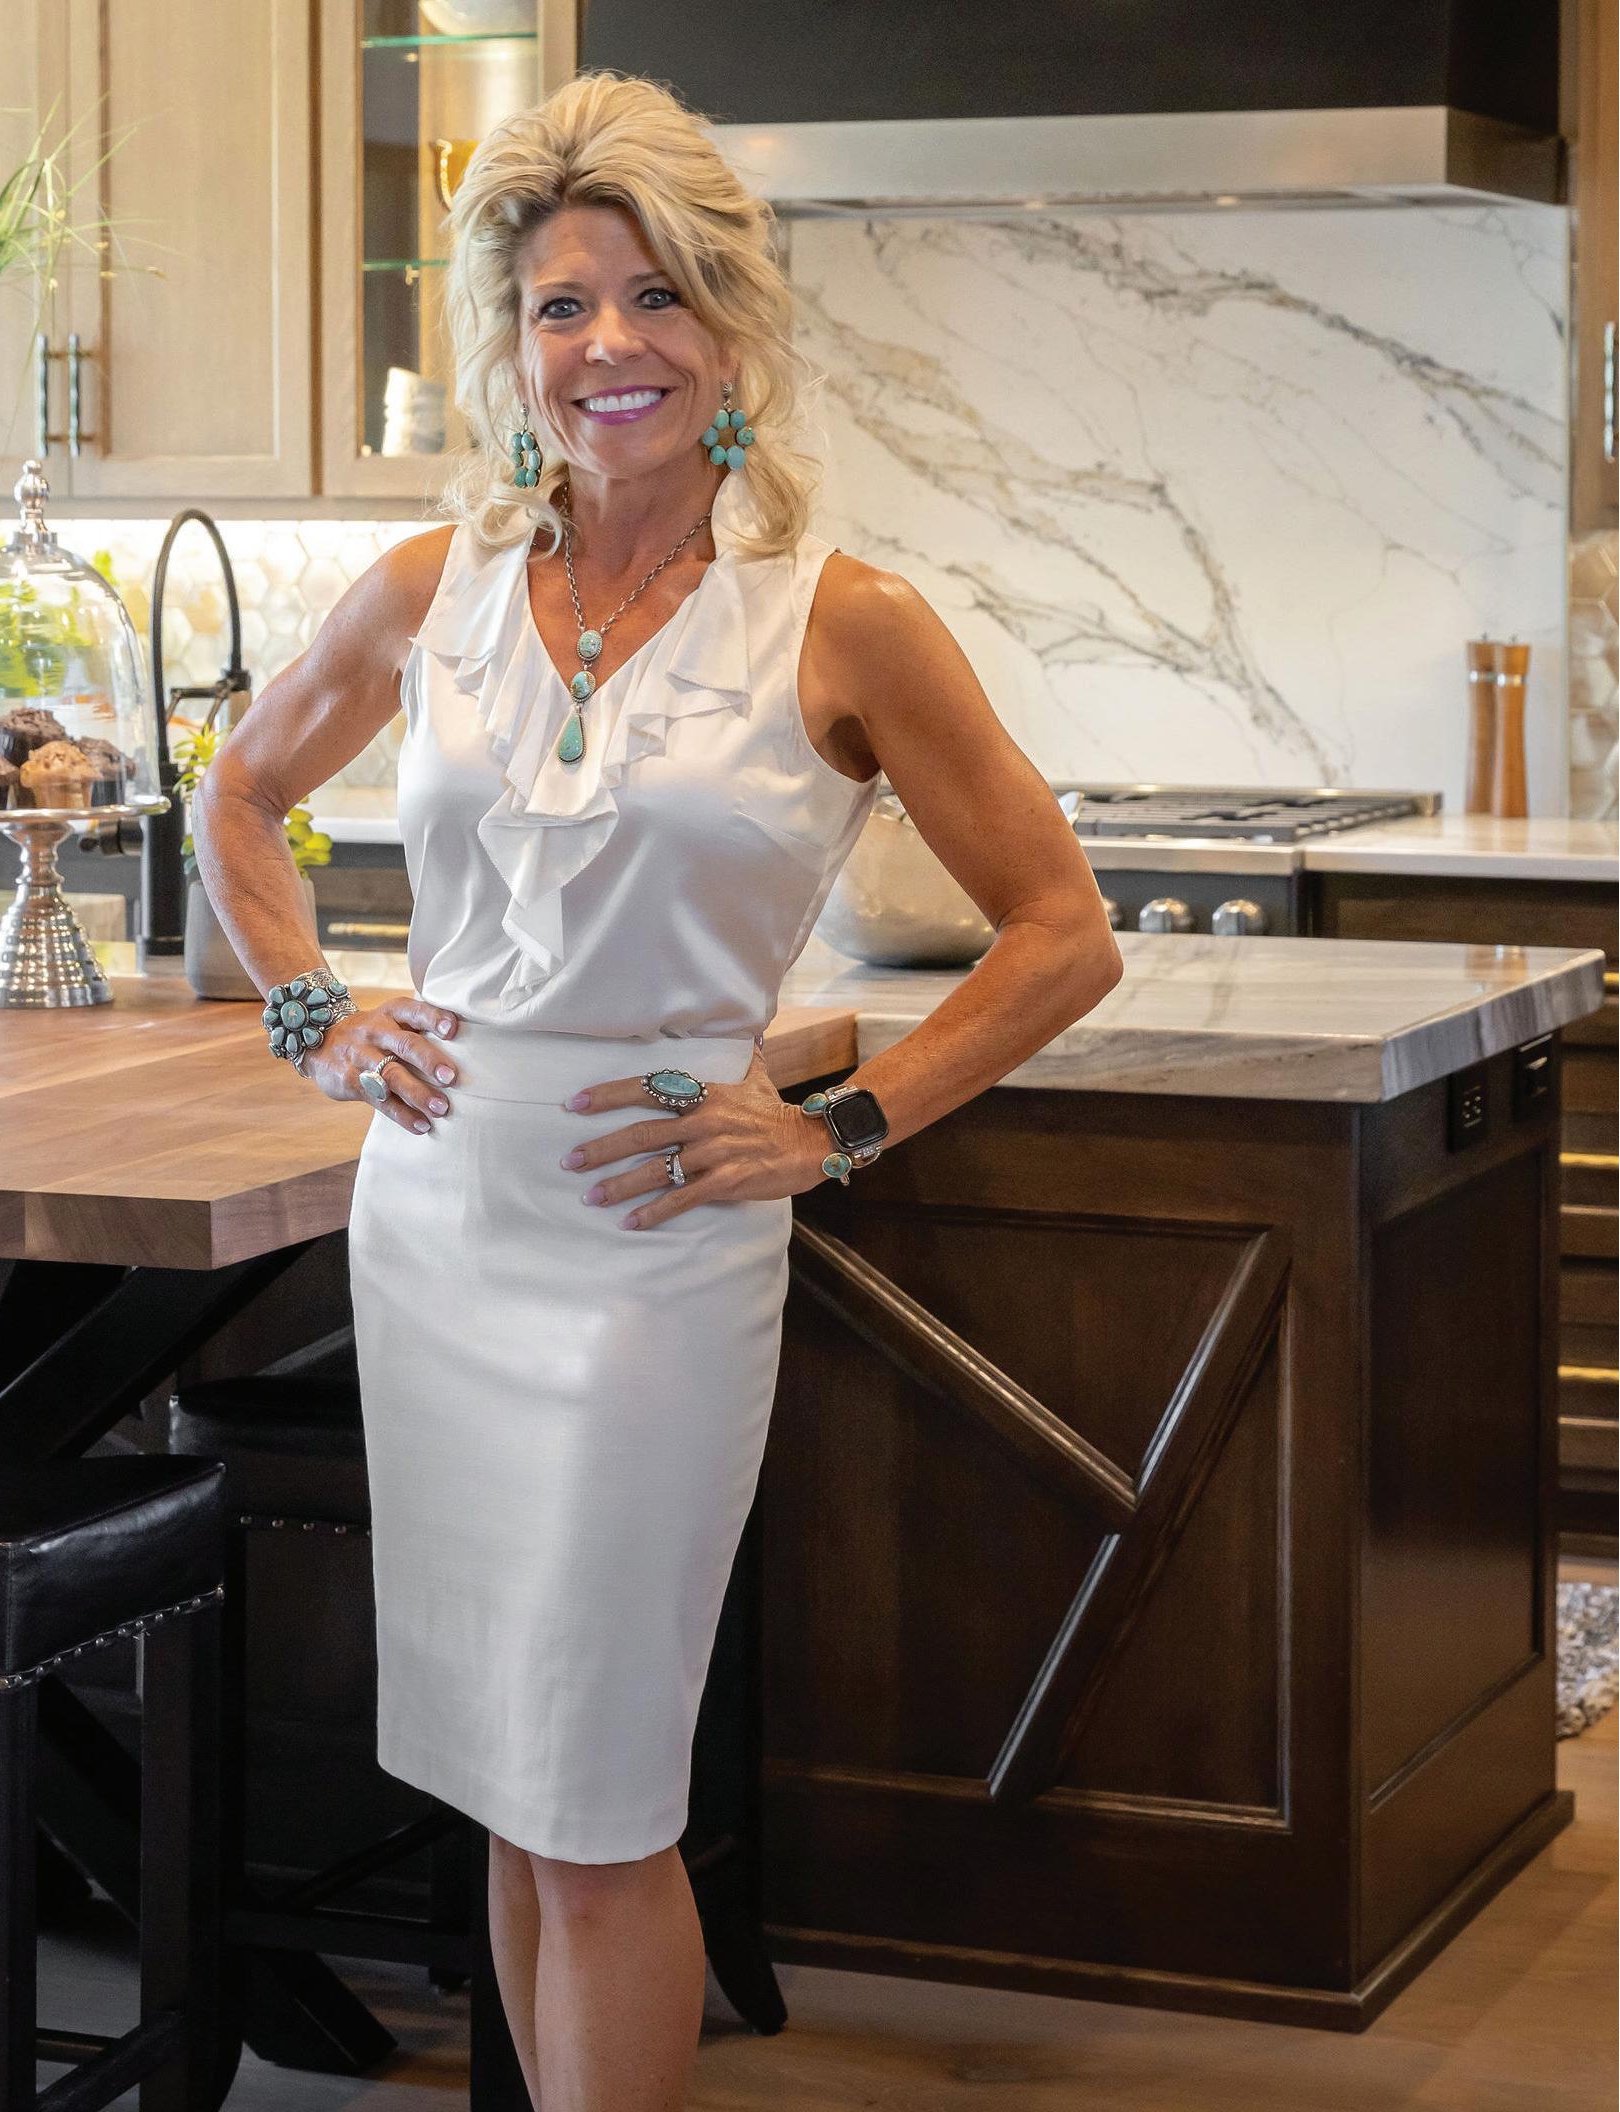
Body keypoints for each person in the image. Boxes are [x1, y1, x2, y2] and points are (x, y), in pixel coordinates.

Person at [194, 68, 1121, 2112]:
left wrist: (838, 1126)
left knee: (601, 1803)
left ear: (727, 332)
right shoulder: (428, 591)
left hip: (650, 1247)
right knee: (510, 1788)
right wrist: (312, 1011)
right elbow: (237, 794)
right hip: (434, 1223)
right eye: (558, 305)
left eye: (652, 297)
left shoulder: (844, 621)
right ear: (508, 344)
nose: (606, 343)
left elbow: (1061, 931)